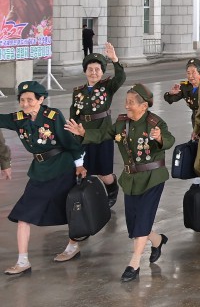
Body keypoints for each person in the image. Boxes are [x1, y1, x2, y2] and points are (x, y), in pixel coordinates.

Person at [66, 84, 175, 282]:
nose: (127, 106)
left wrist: (159, 138)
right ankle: (157, 241)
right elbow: (102, 135)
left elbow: (169, 140)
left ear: (144, 106)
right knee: (134, 225)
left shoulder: (154, 122)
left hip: (153, 178)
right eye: (126, 101)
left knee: (142, 219)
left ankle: (134, 263)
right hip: (131, 179)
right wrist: (83, 133)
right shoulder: (121, 123)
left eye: (131, 103)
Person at [0, 81, 86, 275]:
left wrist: (79, 165)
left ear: (40, 99)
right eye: (22, 100)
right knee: (23, 215)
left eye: (30, 100)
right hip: (39, 171)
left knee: (71, 209)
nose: (25, 104)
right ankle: (23, 262)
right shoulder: (19, 119)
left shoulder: (53, 116)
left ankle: (73, 247)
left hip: (62, 168)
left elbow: (70, 143)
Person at [71, 44, 125, 208]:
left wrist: (115, 60)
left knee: (104, 174)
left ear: (102, 72)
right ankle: (87, 199)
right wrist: (73, 131)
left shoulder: (107, 86)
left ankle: (112, 188)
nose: (93, 72)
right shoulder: (78, 91)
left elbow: (120, 78)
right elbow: (74, 111)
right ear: (85, 71)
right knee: (83, 170)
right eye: (90, 69)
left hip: (102, 134)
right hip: (83, 133)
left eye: (97, 69)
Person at [163, 58, 200, 131]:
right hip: (195, 119)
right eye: (188, 73)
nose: (190, 76)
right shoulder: (185, 87)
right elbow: (170, 99)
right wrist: (171, 93)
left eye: (193, 73)